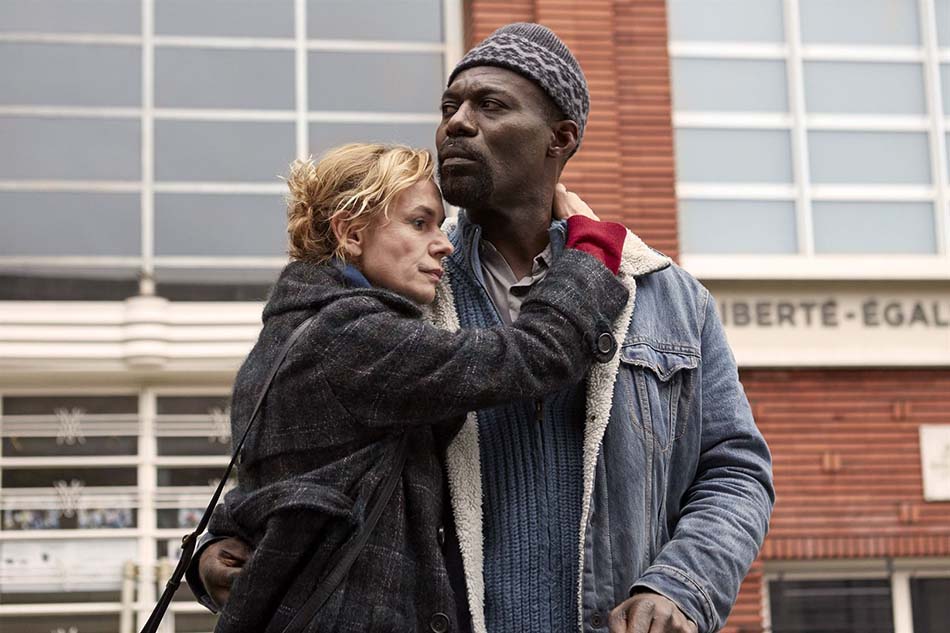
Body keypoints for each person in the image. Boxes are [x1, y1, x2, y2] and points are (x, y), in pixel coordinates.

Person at [195, 22, 775, 633]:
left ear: (560, 138)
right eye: (449, 107)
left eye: (490, 105)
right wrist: (219, 546)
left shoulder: (667, 296)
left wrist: (681, 587)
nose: (457, 123)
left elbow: (735, 469)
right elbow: (307, 452)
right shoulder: (400, 286)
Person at [200, 142, 632, 632]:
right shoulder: (352, 336)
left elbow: (270, 493)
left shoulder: (282, 340)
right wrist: (590, 252)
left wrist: (211, 548)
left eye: (440, 225)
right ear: (351, 233)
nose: (444, 243)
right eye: (420, 223)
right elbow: (535, 354)